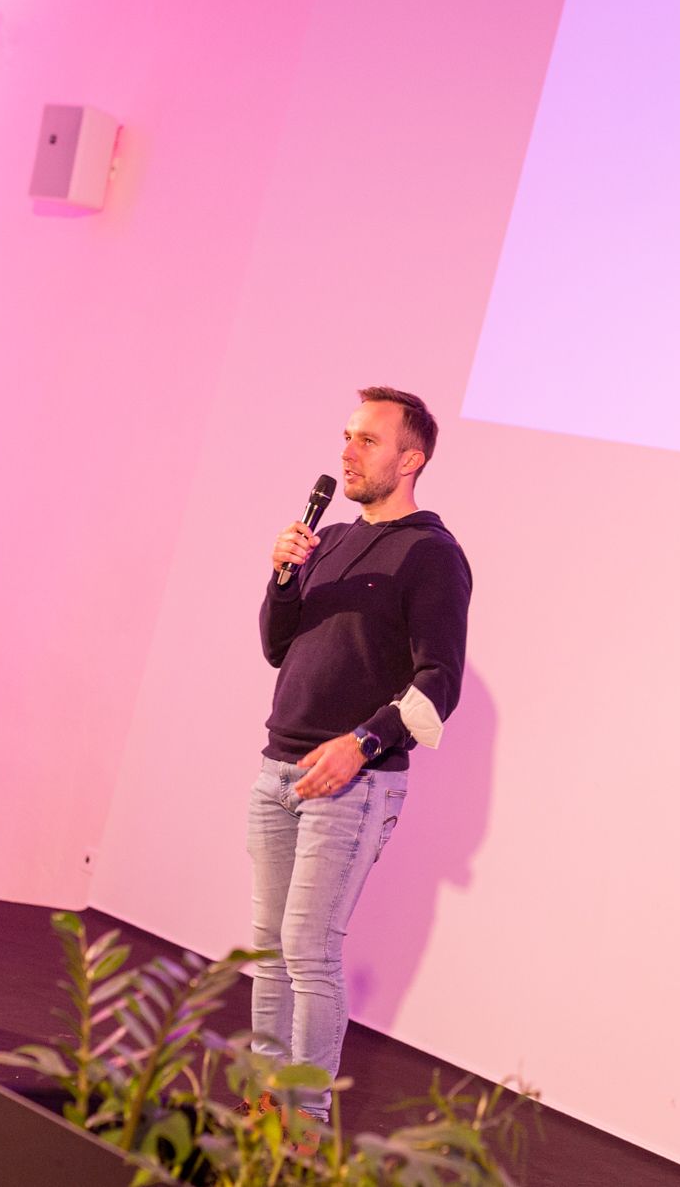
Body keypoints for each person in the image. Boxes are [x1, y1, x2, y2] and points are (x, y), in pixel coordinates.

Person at [251, 386, 472, 1123]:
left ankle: (304, 1125)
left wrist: (362, 743)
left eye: (367, 440)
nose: (347, 452)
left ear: (411, 460)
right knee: (268, 949)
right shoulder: (334, 540)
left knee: (307, 949)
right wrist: (284, 576)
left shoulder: (432, 554)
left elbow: (438, 684)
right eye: (347, 436)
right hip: (279, 768)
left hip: (352, 783)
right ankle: (264, 1108)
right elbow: (278, 647)